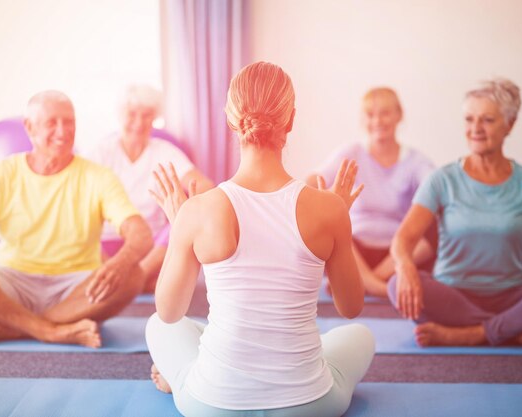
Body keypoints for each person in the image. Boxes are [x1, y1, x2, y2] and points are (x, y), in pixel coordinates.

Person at [145, 62, 375, 417]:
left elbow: (169, 311)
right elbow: (350, 308)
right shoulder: (329, 209)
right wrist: (337, 219)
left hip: (211, 405)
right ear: (291, 120)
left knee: (157, 326)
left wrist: (181, 230)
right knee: (361, 335)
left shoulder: (197, 211)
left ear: (229, 119)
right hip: (310, 406)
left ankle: (180, 377)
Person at [389, 78, 522, 349]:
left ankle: (472, 334)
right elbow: (403, 240)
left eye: (487, 120)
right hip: (452, 296)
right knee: (395, 284)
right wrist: (405, 267)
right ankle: (513, 330)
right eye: (469, 119)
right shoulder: (442, 180)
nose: (475, 129)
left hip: (513, 297)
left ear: (510, 124)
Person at [0, 90, 153, 347]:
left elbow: (140, 234)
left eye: (69, 122)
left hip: (77, 288)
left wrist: (118, 264)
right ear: (29, 127)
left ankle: (18, 326)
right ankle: (49, 330)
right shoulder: (0, 173)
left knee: (132, 274)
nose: (63, 131)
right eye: (52, 123)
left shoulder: (98, 177)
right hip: (13, 282)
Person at [307, 87, 435, 297]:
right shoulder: (351, 152)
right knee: (326, 224)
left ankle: (366, 282)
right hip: (354, 249)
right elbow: (312, 182)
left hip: (396, 253)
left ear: (399, 115)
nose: (377, 121)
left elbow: (436, 187)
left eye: (385, 113)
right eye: (370, 114)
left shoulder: (416, 161)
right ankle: (382, 289)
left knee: (437, 228)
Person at [86, 85, 213, 290]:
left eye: (146, 116)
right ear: (120, 116)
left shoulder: (164, 151)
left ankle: (134, 279)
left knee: (181, 221)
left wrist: (187, 205)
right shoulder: (101, 152)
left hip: (152, 248)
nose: (138, 123)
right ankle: (141, 282)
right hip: (107, 243)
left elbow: (205, 185)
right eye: (132, 114)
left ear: (154, 118)